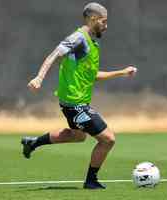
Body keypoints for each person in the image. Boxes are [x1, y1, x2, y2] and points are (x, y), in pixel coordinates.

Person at [21, 2, 137, 189]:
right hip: (74, 104)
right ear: (93, 19)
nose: (106, 26)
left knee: (77, 136)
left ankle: (33, 143)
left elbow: (92, 76)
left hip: (77, 102)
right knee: (108, 139)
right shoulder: (78, 38)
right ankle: (91, 181)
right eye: (103, 21)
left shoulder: (92, 43)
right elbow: (54, 55)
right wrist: (39, 77)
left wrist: (122, 72)